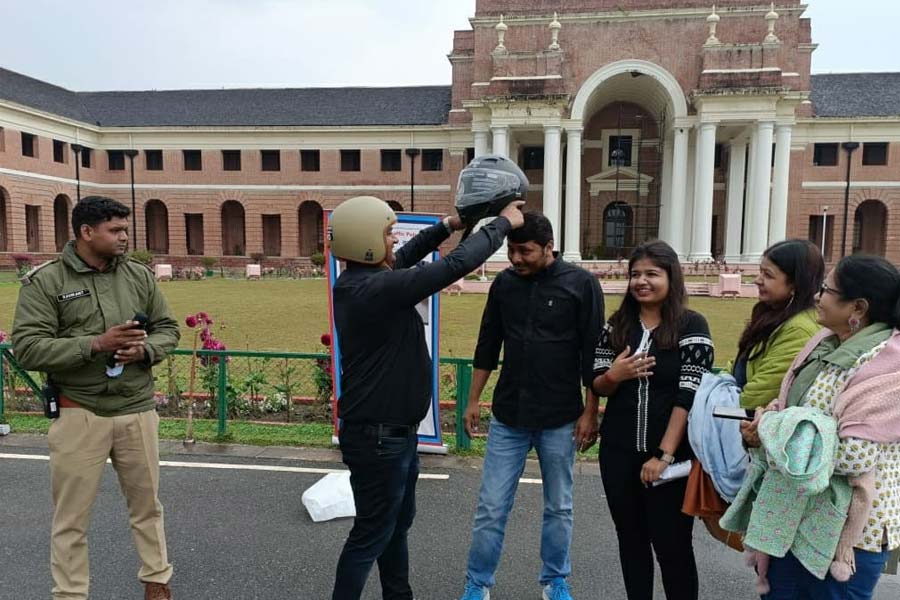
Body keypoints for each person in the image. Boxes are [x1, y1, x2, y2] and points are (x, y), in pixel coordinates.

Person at [329, 155, 527, 600]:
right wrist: (500, 225)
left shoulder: (364, 280)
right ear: (364, 241)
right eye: (383, 233)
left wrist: (452, 222)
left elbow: (407, 255)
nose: (390, 241)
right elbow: (451, 267)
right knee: (371, 535)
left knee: (393, 528)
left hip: (390, 435)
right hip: (379, 438)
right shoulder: (374, 289)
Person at [11, 196, 180, 600]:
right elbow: (28, 347)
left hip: (136, 410)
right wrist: (96, 344)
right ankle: (70, 595)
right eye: (116, 230)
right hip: (78, 412)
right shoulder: (47, 281)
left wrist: (145, 350)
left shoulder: (139, 276)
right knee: (70, 520)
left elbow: (169, 328)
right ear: (86, 232)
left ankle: (157, 585)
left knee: (148, 508)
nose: (125, 237)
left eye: (125, 229)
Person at [457, 212, 604, 600]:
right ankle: (478, 583)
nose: (516, 259)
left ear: (549, 247)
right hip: (509, 417)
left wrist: (591, 410)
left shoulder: (582, 284)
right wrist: (473, 400)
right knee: (491, 507)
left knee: (559, 507)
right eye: (512, 250)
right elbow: (488, 344)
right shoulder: (504, 285)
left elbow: (593, 353)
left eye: (525, 251)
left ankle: (555, 580)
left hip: (560, 418)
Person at [739, 255, 900, 599]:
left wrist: (774, 432)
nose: (817, 296)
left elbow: (855, 457)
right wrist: (770, 424)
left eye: (827, 290)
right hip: (792, 519)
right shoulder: (823, 343)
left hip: (848, 535)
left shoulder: (889, 367)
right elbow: (788, 406)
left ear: (858, 307)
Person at [592, 240, 714, 600]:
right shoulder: (617, 326)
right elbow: (598, 384)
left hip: (670, 459)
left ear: (671, 278)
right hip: (617, 453)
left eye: (651, 274)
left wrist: (663, 456)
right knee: (631, 542)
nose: (641, 281)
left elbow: (687, 396)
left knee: (672, 545)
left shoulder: (692, 326)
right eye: (635, 274)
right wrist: (616, 374)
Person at [734, 240, 823, 409]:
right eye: (760, 272)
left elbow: (757, 397)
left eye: (768, 275)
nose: (757, 280)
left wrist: (713, 401)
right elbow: (741, 363)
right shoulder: (774, 315)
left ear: (795, 284)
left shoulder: (799, 330)